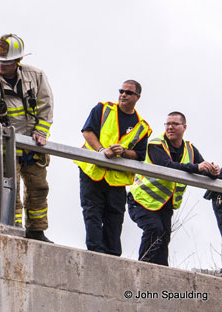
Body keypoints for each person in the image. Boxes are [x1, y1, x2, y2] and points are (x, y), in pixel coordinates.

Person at [0, 34, 54, 242]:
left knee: (38, 188)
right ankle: (14, 229)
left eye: (6, 62)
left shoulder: (36, 76)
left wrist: (40, 133)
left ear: (17, 61)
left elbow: (45, 107)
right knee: (9, 191)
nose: (1, 66)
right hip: (4, 146)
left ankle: (36, 231)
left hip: (32, 145)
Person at [127, 111, 219, 265]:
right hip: (141, 200)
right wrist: (197, 167)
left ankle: (161, 273)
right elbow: (166, 166)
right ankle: (143, 268)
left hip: (165, 204)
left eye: (174, 124)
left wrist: (213, 171)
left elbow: (203, 168)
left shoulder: (190, 149)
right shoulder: (156, 144)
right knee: (153, 229)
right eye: (168, 124)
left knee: (163, 239)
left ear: (184, 127)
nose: (170, 127)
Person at [75, 80, 151, 256]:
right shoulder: (103, 109)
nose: (123, 94)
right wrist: (101, 150)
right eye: (121, 91)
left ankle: (113, 253)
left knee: (115, 215)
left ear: (137, 97)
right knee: (92, 210)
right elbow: (87, 131)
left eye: (128, 92)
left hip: (116, 179)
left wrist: (123, 152)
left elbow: (139, 154)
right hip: (92, 172)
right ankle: (95, 250)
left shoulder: (142, 126)